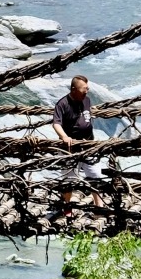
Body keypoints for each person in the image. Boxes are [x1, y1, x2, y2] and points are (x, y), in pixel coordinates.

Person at [52, 75, 104, 207]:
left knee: (96, 177)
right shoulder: (62, 104)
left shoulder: (86, 100)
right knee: (69, 182)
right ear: (74, 89)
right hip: (70, 150)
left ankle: (99, 207)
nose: (86, 91)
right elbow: (56, 123)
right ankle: (66, 206)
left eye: (87, 88)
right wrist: (64, 137)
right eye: (83, 89)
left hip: (88, 147)